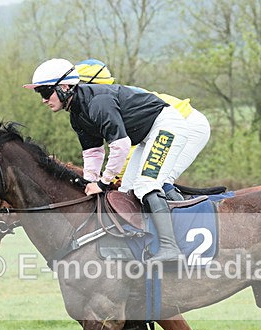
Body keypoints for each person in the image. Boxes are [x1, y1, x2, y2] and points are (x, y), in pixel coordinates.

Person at [24, 58, 203, 262]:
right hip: (146, 136)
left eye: (46, 92)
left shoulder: (98, 102)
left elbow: (120, 146)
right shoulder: (77, 114)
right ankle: (142, 243)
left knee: (146, 185)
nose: (43, 100)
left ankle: (170, 247)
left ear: (64, 87)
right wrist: (88, 182)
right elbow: (93, 152)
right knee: (126, 192)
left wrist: (103, 182)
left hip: (167, 125)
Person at [73, 59, 211, 201]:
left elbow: (127, 149)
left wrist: (110, 179)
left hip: (189, 125)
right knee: (128, 189)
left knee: (155, 182)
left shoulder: (104, 101)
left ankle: (185, 214)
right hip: (156, 131)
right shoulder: (103, 99)